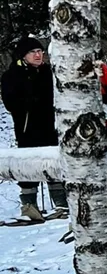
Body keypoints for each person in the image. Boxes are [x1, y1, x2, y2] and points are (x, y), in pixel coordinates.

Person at [1, 37, 66, 221]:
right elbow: (10, 102)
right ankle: (29, 205)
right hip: (27, 126)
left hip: (50, 124)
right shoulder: (12, 75)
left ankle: (60, 201)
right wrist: (29, 101)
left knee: (53, 160)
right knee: (28, 162)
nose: (38, 55)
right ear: (23, 55)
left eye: (40, 51)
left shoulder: (48, 72)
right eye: (33, 52)